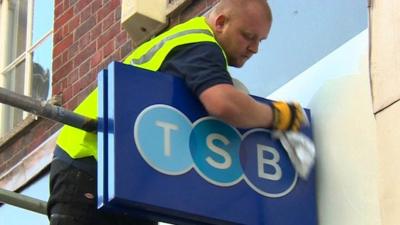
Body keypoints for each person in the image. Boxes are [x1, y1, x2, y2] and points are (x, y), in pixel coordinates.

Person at [47, 0, 307, 224]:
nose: (255, 48)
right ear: (220, 22)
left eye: (260, 40)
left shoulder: (188, 41)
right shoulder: (201, 46)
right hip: (90, 161)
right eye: (248, 36)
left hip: (123, 177)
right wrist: (280, 117)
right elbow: (222, 103)